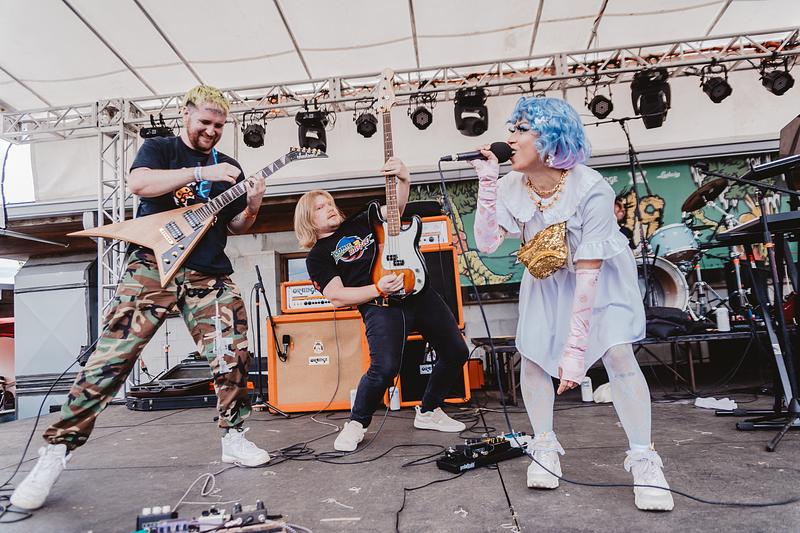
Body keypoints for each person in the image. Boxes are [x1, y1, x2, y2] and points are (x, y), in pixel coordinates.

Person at [11, 85, 270, 511]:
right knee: (112, 356)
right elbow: (139, 184)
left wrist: (253, 204)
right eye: (205, 122)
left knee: (234, 352)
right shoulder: (161, 148)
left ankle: (234, 437)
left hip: (208, 272)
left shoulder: (231, 166)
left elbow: (235, 225)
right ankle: (56, 450)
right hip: (152, 264)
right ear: (185, 114)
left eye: (219, 125)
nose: (211, 131)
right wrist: (200, 173)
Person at [471, 97, 674, 511]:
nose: (510, 138)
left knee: (618, 355)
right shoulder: (511, 185)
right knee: (532, 359)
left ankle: (644, 460)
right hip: (547, 279)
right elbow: (487, 242)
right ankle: (544, 446)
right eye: (511, 129)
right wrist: (487, 184)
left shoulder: (591, 188)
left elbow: (588, 271)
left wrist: (575, 351)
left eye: (520, 129)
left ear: (550, 138)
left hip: (598, 280)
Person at [294, 158, 469, 452]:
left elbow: (395, 209)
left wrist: (405, 179)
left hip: (419, 293)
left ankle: (429, 410)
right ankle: (356, 424)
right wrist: (377, 288)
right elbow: (337, 296)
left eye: (330, 203)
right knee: (384, 368)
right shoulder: (319, 255)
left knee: (456, 352)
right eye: (320, 207)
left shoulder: (362, 219)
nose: (330, 208)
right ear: (308, 221)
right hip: (380, 304)